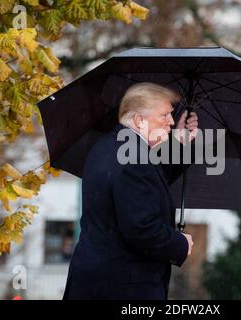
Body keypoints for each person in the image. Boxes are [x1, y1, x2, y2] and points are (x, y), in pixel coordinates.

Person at [63, 82, 198, 300]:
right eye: (164, 115)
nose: (171, 122)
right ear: (138, 120)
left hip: (98, 283)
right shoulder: (134, 159)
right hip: (123, 288)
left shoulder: (110, 147)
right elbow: (142, 229)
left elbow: (151, 182)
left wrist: (180, 142)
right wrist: (180, 243)